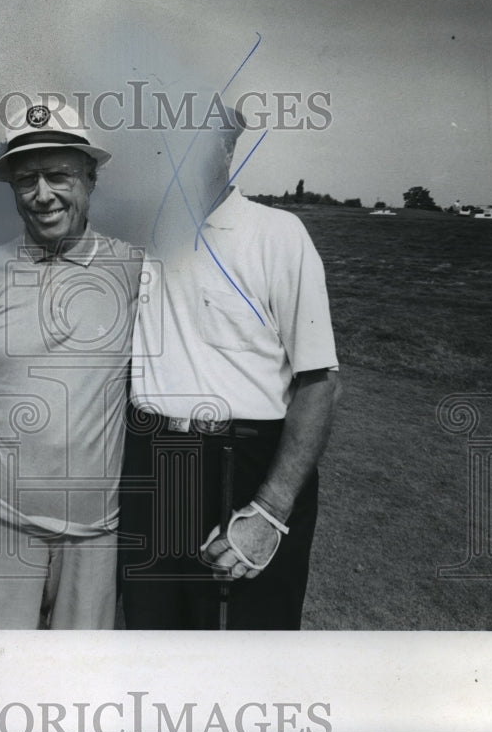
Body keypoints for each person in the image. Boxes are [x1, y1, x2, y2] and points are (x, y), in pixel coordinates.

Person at [0, 103, 141, 629]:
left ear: (91, 178)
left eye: (59, 175)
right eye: (27, 180)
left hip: (96, 531)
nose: (43, 195)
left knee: (79, 692)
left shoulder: (137, 270)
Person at [119, 113, 340, 630]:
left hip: (245, 468)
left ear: (229, 143)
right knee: (154, 652)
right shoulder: (137, 240)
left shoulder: (278, 234)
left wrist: (268, 513)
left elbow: (320, 383)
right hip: (152, 466)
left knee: (248, 660)